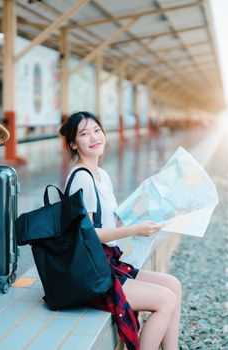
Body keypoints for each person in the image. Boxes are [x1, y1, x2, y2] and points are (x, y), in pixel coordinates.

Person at [59, 111, 182, 350]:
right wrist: (134, 229)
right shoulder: (82, 177)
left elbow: (109, 223)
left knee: (173, 285)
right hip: (90, 273)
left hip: (106, 263)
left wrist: (149, 214)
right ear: (74, 143)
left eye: (97, 130)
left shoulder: (101, 175)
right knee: (166, 299)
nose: (94, 137)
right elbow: (88, 235)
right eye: (84, 134)